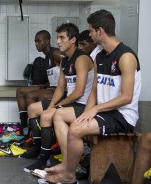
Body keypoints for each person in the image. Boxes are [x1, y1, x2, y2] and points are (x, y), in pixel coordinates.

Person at [44, 9, 141, 183]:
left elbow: (126, 97)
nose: (88, 34)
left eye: (90, 30)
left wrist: (94, 109)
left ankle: (69, 174)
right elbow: (94, 91)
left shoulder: (126, 56)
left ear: (100, 31)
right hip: (104, 112)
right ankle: (69, 165)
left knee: (75, 129)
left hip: (122, 116)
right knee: (66, 119)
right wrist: (87, 112)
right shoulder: (100, 57)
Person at [22, 23, 94, 170]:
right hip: (71, 101)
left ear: (73, 40)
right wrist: (51, 105)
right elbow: (61, 87)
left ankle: (44, 159)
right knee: (32, 109)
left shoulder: (81, 59)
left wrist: (56, 106)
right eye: (57, 38)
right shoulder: (65, 60)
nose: (58, 42)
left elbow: (79, 92)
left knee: (47, 116)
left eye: (62, 38)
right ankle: (37, 149)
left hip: (83, 105)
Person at [16, 30, 62, 136]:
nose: (36, 44)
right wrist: (45, 85)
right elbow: (55, 76)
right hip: (50, 87)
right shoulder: (47, 56)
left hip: (59, 90)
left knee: (31, 95)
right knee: (21, 91)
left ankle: (35, 132)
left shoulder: (55, 53)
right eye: (35, 41)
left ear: (47, 41)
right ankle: (24, 127)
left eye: (38, 41)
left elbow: (70, 66)